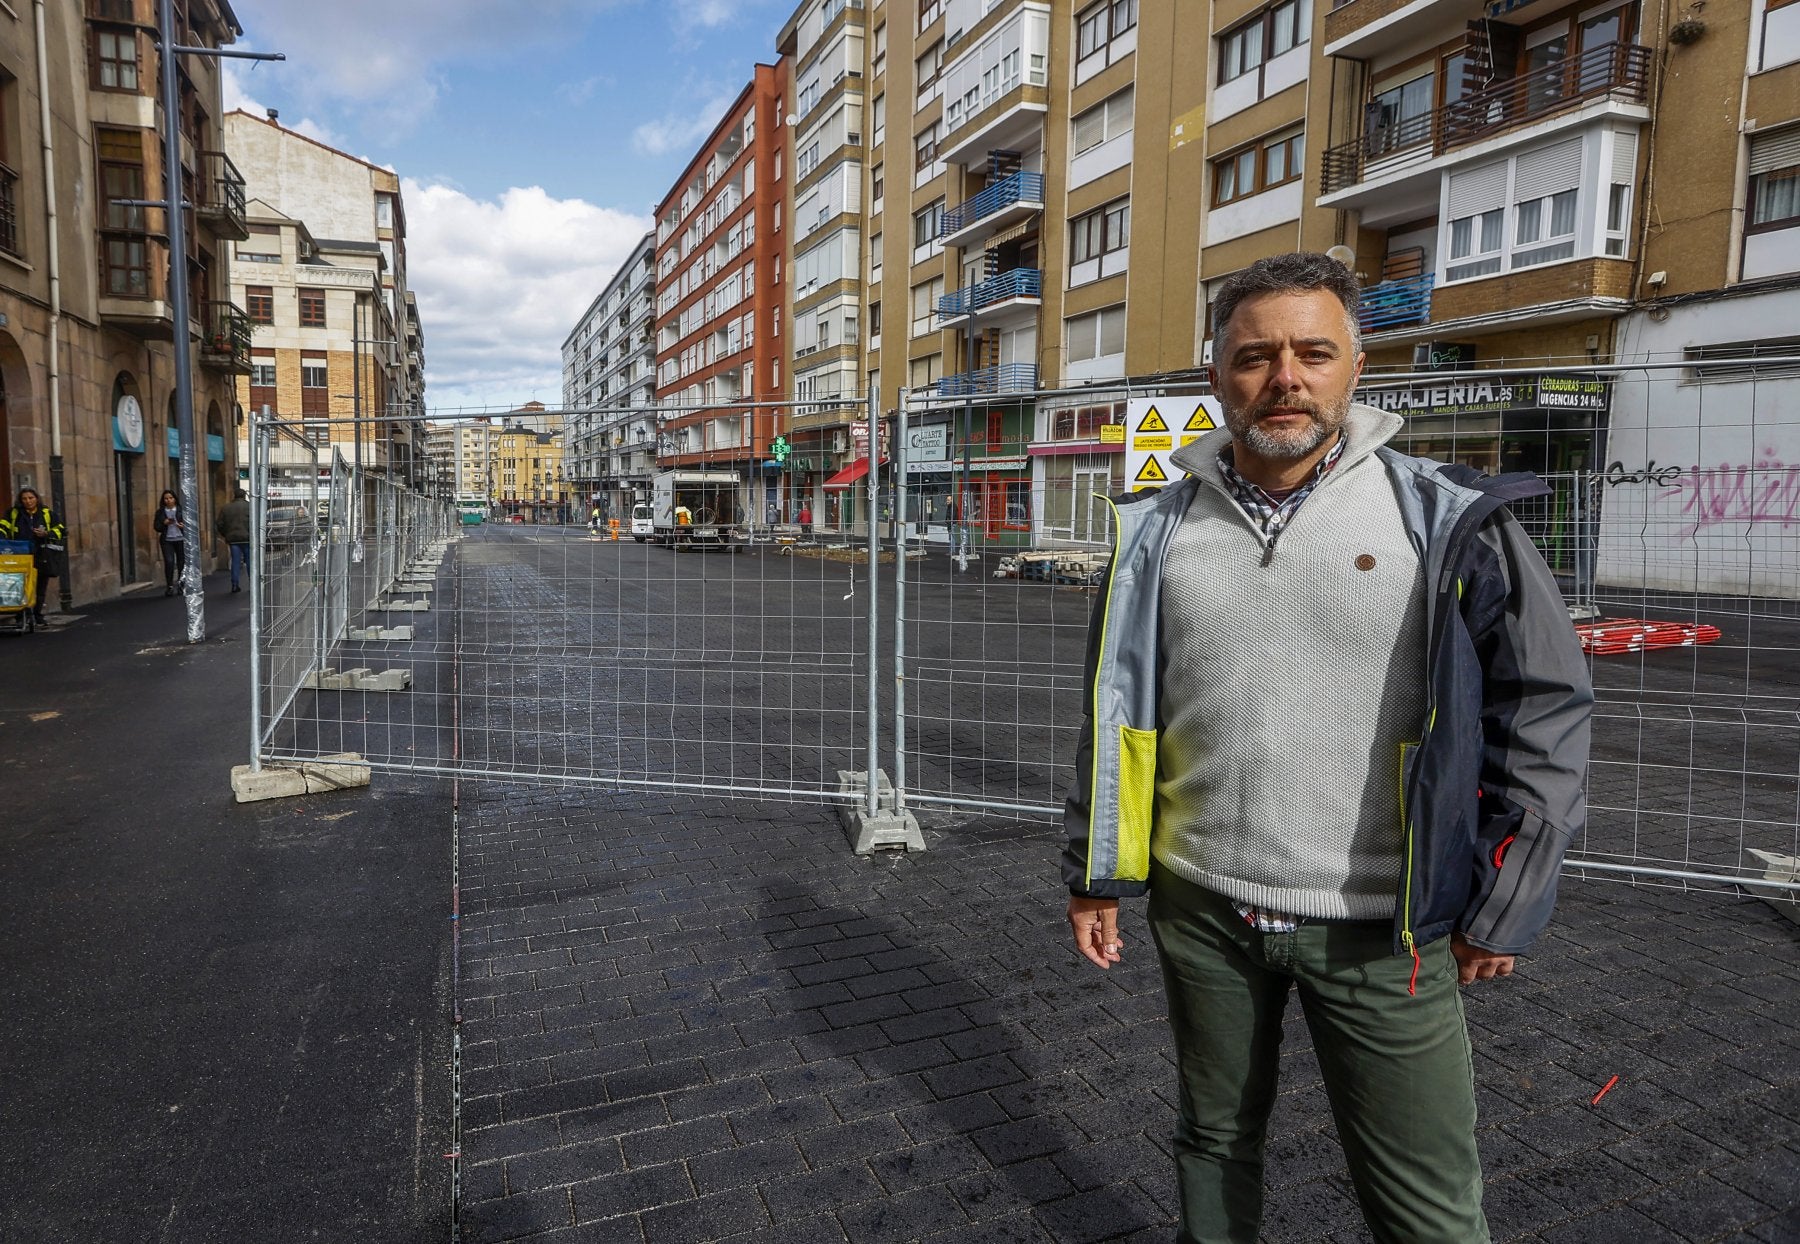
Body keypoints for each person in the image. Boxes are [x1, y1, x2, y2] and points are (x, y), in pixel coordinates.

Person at [1061, 252, 1593, 1243]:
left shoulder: (1444, 517)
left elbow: (1547, 712)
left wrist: (1508, 897)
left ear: (1357, 366)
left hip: (1381, 928)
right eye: (1256, 354)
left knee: (1427, 1204)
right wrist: (1095, 870)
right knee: (1213, 1140)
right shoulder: (1157, 529)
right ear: (1216, 372)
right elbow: (1119, 709)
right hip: (1204, 906)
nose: (1285, 377)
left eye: (1313, 351)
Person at [0, 487, 65, 626]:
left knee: (40, 587)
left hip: (41, 554)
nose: (28, 501)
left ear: (36, 498)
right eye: (24, 498)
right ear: (20, 500)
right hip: (20, 555)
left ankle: (37, 615)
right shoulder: (13, 513)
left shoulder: (46, 513)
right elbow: (2, 527)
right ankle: (21, 616)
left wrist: (46, 534)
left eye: (31, 498)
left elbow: (61, 530)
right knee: (18, 585)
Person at [217, 486, 251, 594]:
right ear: (244, 496)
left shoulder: (226, 508)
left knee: (235, 561)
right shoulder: (250, 506)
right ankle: (253, 583)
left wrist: (226, 534)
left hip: (233, 539)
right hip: (248, 538)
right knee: (250, 561)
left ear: (234, 495)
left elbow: (220, 524)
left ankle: (235, 584)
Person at [153, 490, 187, 597]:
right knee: (169, 562)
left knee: (182, 562)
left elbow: (191, 525)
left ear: (175, 499)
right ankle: (170, 586)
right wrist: (164, 523)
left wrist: (183, 526)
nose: (168, 500)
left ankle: (181, 584)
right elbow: (156, 527)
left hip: (181, 539)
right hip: (167, 540)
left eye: (170, 498)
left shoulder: (182, 510)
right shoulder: (160, 512)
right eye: (166, 498)